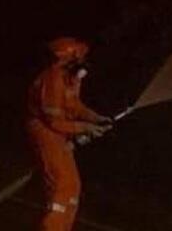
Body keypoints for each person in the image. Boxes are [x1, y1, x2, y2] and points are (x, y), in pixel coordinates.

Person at [27, 37, 112, 231]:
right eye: (80, 57)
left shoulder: (70, 79)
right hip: (45, 132)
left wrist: (96, 118)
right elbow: (54, 121)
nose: (84, 62)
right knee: (61, 185)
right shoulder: (53, 80)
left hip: (59, 132)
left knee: (73, 185)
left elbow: (75, 106)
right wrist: (85, 128)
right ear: (68, 59)